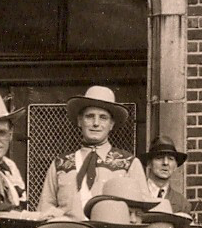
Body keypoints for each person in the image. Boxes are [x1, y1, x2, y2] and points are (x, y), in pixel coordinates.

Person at [36, 85, 147, 219]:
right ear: (79, 121)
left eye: (103, 118)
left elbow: (141, 211)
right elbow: (45, 210)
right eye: (90, 116)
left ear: (111, 124)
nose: (96, 123)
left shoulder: (129, 163)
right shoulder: (60, 163)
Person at [141, 137, 189, 211]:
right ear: (149, 163)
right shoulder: (136, 194)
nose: (165, 163)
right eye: (159, 158)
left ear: (175, 166)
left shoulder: (182, 204)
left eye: (170, 159)